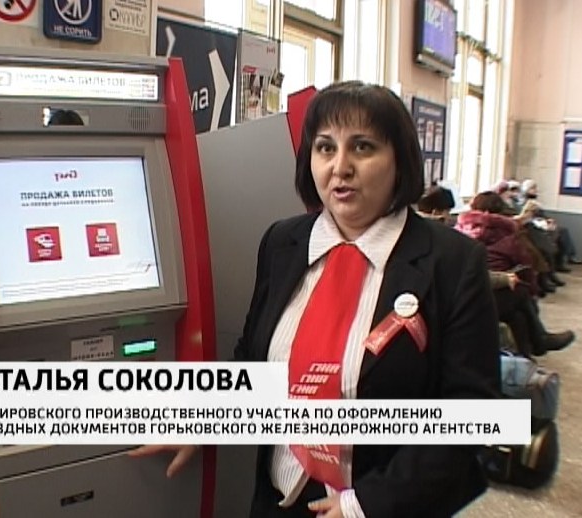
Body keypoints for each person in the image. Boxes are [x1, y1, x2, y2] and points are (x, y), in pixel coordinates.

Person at [132, 81, 500, 517]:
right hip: (278, 501)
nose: (340, 167)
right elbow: (253, 358)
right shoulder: (283, 243)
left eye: (362, 147)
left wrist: (365, 505)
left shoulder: (453, 263)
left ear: (400, 161)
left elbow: (469, 418)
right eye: (326, 148)